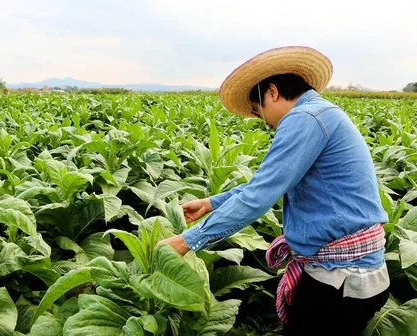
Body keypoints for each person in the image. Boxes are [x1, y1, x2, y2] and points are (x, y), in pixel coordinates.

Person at [156, 46, 390, 335]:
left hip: (342, 279)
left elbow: (260, 196)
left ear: (272, 92)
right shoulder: (320, 114)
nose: (264, 121)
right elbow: (268, 183)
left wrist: (186, 241)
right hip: (353, 273)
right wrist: (211, 203)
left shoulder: (305, 119)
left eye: (258, 110)